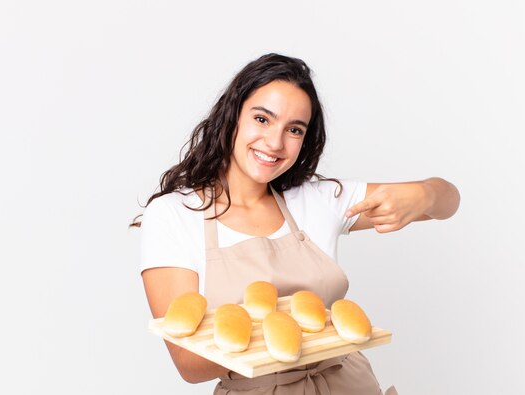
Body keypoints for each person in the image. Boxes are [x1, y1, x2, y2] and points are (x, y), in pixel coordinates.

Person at [135, 53, 460, 394]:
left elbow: (448, 201)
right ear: (231, 117)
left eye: (293, 129)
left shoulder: (318, 200)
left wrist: (425, 194)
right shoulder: (174, 215)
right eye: (262, 119)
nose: (275, 143)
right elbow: (189, 364)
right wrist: (282, 332)